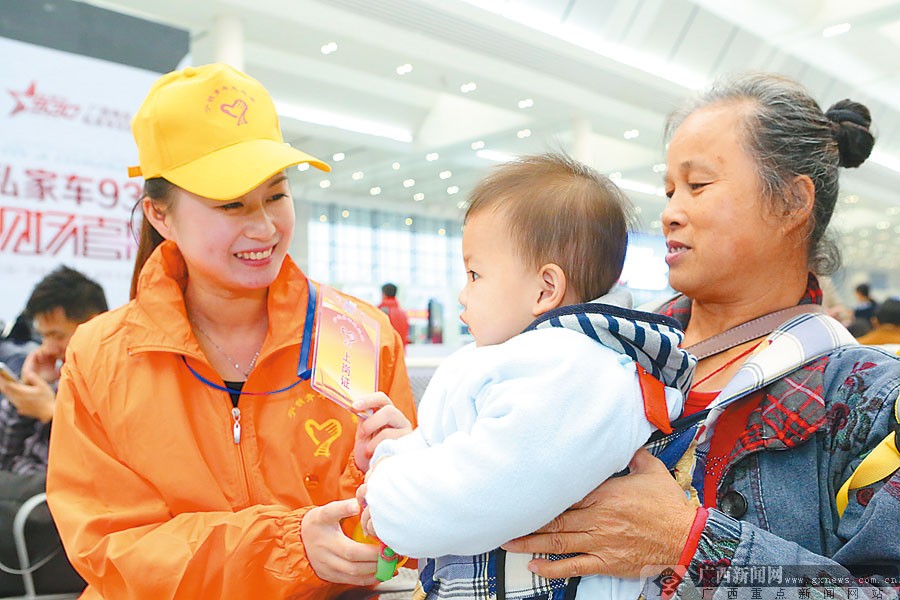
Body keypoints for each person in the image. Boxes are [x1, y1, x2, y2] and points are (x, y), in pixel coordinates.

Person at [503, 74, 900, 597]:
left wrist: (688, 545)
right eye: (669, 190)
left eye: (698, 185)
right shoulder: (593, 344)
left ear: (791, 202)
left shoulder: (864, 399)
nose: (670, 213)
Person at [45, 63, 417, 600]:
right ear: (160, 215)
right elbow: (110, 546)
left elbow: (393, 549)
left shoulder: (359, 335)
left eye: (276, 195)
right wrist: (289, 548)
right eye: (231, 204)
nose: (264, 228)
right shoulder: (101, 356)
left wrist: (392, 482)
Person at [358, 154, 696, 599]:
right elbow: (460, 447)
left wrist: (387, 494)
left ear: (544, 289)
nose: (463, 293)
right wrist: (395, 457)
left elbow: (476, 494)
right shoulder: (533, 362)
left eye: (475, 275)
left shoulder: (572, 374)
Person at [0, 266, 105, 595]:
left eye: (57, 336)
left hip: (58, 516)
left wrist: (52, 412)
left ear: (93, 324)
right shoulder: (58, 378)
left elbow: (106, 467)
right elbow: (6, 456)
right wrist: (25, 396)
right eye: (42, 336)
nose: (47, 347)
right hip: (24, 502)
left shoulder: (116, 380)